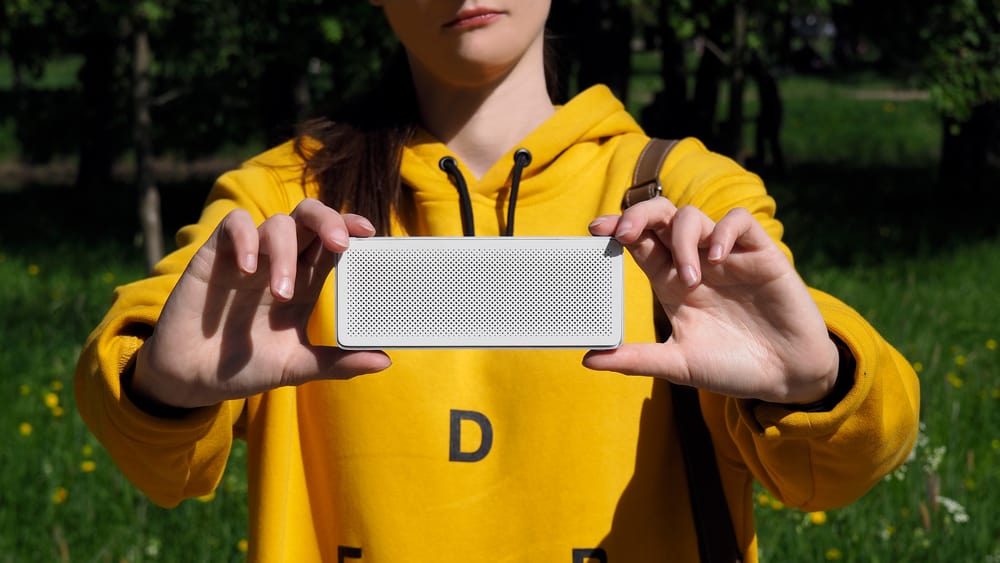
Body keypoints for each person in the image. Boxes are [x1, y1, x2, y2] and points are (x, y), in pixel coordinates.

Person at [75, 2, 920, 561]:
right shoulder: (280, 206)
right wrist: (162, 388)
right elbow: (149, 450)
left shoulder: (687, 198)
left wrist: (819, 382)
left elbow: (839, 470)